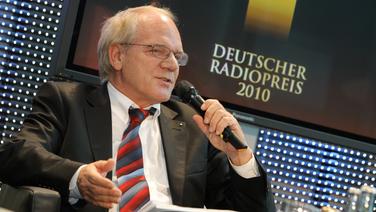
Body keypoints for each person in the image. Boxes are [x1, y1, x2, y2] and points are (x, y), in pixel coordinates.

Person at [0, 5, 275, 212]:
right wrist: (77, 176)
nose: (172, 65)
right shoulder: (66, 102)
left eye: (178, 56)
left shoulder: (194, 125)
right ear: (117, 55)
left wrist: (240, 157)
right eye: (157, 50)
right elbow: (16, 154)